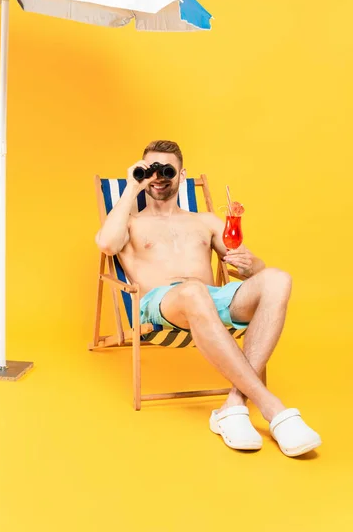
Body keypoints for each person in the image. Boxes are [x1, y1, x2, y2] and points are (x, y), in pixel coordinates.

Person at [95, 140, 321, 457]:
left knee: (278, 279)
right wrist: (132, 187)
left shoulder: (205, 221)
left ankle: (234, 404)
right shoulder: (130, 223)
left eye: (167, 170)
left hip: (212, 299)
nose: (158, 177)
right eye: (151, 170)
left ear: (182, 175)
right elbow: (106, 244)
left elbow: (252, 269)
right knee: (193, 290)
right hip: (162, 306)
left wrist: (252, 265)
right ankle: (271, 407)